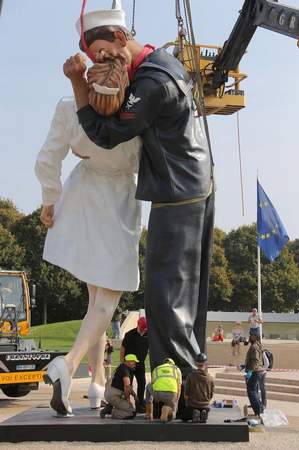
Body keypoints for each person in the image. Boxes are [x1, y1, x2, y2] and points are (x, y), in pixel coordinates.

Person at [65, 0, 214, 377]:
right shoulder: (160, 63)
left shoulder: (151, 83)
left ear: (119, 36)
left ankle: (173, 385)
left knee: (166, 294)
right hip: (192, 185)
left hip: (179, 192)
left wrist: (78, 88)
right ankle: (187, 378)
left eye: (101, 53)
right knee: (184, 292)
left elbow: (107, 134)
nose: (101, 63)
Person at [35, 91, 141, 414]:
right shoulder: (138, 111)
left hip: (82, 196)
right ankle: (67, 365)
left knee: (95, 302)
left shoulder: (69, 106)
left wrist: (49, 198)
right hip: (119, 201)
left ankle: (96, 385)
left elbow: (47, 158)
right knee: (107, 301)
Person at [120, 317, 148, 412]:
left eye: (145, 329)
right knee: (129, 384)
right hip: (129, 365)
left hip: (140, 364)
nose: (143, 330)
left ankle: (139, 402)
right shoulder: (130, 334)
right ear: (138, 325)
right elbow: (122, 348)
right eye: (142, 328)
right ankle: (127, 404)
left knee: (142, 383)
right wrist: (122, 362)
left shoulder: (149, 334)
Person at [101, 353, 139, 419]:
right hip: (114, 395)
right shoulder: (125, 370)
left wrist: (133, 395)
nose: (135, 364)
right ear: (129, 362)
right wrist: (129, 400)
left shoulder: (121, 367)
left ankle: (110, 406)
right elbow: (127, 386)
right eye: (134, 362)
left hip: (110, 393)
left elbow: (127, 387)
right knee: (131, 412)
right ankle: (111, 411)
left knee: (128, 406)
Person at [146, 358, 182, 422]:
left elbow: (152, 384)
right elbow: (179, 387)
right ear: (172, 364)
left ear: (164, 363)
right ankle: (168, 409)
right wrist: (176, 401)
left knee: (148, 386)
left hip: (157, 394)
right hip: (171, 395)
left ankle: (149, 413)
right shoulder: (176, 369)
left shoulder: (157, 369)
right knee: (173, 415)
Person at [182, 353, 214, 423]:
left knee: (184, 416)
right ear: (206, 364)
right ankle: (203, 412)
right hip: (206, 406)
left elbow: (186, 395)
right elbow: (211, 395)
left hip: (193, 406)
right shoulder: (211, 378)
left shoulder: (190, 376)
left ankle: (195, 413)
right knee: (203, 409)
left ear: (196, 363)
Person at [244, 333, 265, 417]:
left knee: (251, 391)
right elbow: (252, 360)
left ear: (255, 337)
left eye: (251, 336)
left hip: (255, 372)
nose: (249, 337)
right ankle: (259, 409)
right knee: (253, 391)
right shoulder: (255, 345)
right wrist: (244, 365)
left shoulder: (254, 347)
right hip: (256, 371)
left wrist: (250, 371)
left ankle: (258, 411)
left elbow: (256, 361)